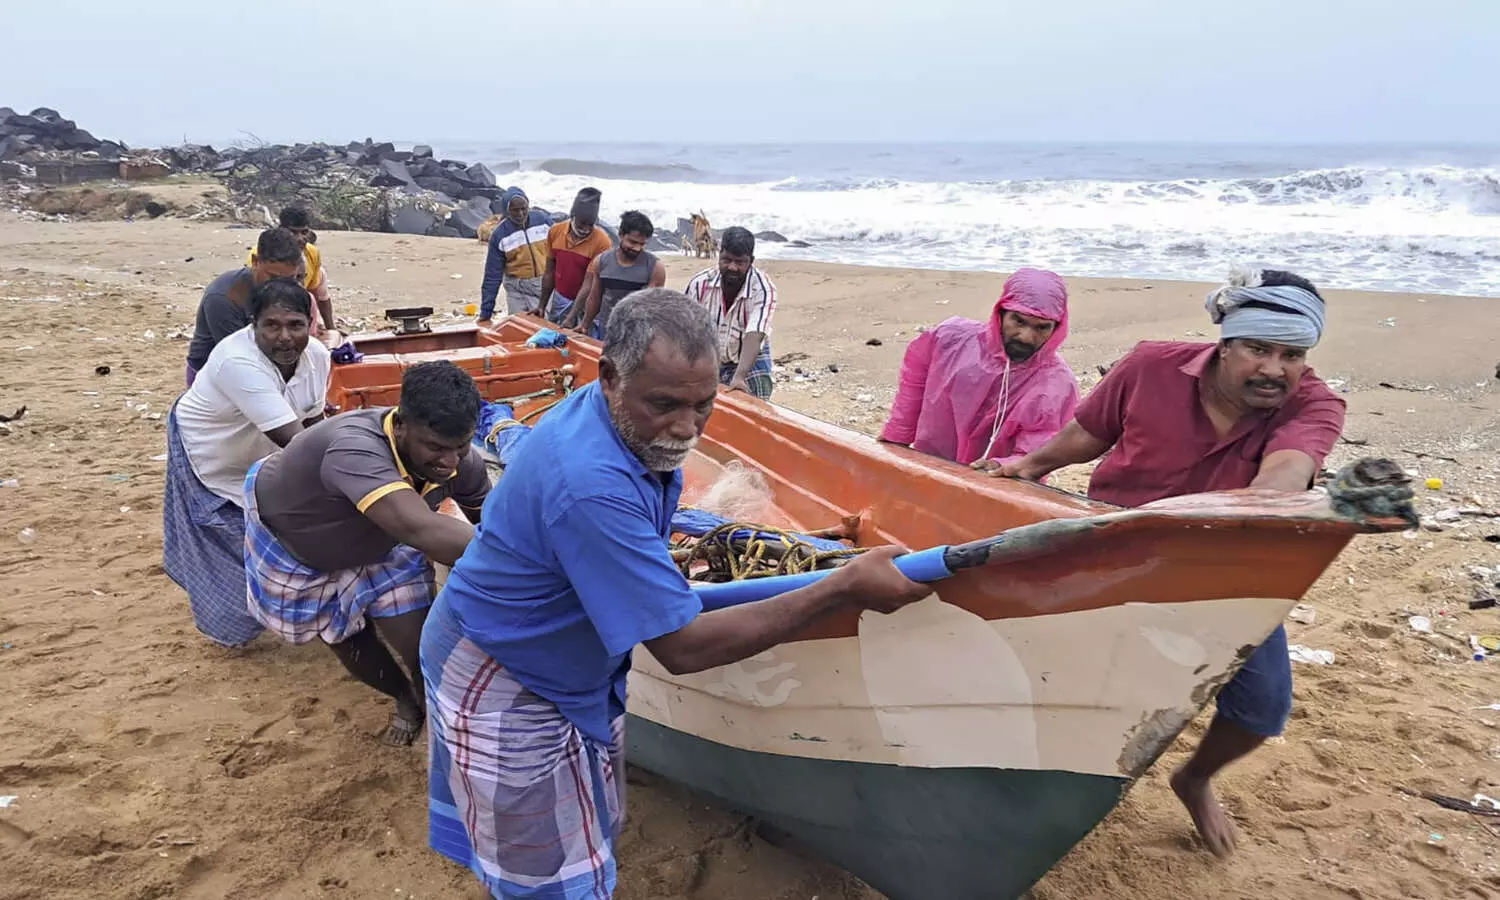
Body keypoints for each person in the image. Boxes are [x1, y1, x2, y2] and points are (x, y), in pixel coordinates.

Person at [422, 289, 930, 899]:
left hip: (555, 651)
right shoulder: (590, 485)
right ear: (609, 377)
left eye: (703, 405)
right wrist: (839, 587)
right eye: (664, 405)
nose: (687, 428)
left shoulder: (613, 420)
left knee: (575, 830)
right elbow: (682, 648)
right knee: (545, 875)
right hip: (504, 664)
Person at [986, 268, 1343, 857]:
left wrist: (1263, 505)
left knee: (1261, 709)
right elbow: (1089, 433)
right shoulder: (1150, 365)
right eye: (1258, 349)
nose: (1275, 369)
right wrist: (1026, 467)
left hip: (1228, 567)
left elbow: (1287, 471)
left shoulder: (1316, 404)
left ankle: (1195, 778)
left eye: (1292, 355)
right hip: (1114, 546)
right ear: (1224, 345)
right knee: (1059, 671)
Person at [244, 360, 490, 746]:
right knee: (347, 637)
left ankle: (434, 710)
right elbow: (421, 529)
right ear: (401, 423)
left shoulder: (461, 461)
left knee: (420, 640)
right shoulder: (354, 447)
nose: (450, 462)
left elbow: (493, 521)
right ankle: (403, 697)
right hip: (302, 545)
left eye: (461, 446)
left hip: (384, 539)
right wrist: (531, 561)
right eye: (436, 447)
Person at [164, 279, 332, 647]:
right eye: (271, 325)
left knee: (275, 534)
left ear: (310, 324)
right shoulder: (237, 362)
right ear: (252, 324)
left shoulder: (318, 357)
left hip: (264, 455)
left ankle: (294, 608)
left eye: (295, 325)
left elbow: (314, 422)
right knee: (226, 543)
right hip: (212, 451)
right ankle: (235, 626)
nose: (284, 337)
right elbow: (298, 443)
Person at [879, 268, 1078, 466]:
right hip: (931, 465)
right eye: (1018, 321)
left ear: (1056, 328)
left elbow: (1038, 451)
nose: (1026, 337)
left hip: (998, 480)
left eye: (1042, 327)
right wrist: (897, 435)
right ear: (1001, 313)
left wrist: (1003, 465)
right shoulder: (950, 340)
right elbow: (914, 386)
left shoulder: (1057, 385)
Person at [186, 227, 305, 386]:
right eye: (273, 277)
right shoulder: (224, 297)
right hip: (214, 373)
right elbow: (237, 357)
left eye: (290, 279)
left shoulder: (291, 289)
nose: (281, 286)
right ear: (255, 262)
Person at [684, 226, 778, 399]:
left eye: (739, 262)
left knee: (755, 398)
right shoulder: (699, 284)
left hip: (749, 352)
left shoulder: (763, 289)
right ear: (719, 255)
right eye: (726, 260)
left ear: (751, 261)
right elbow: (686, 332)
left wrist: (739, 377)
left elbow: (755, 334)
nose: (732, 267)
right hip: (710, 352)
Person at [565, 210, 666, 339]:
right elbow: (595, 297)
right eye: (633, 242)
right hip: (606, 329)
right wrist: (585, 324)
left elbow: (652, 307)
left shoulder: (655, 267)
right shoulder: (602, 261)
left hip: (636, 334)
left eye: (642, 244)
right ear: (621, 235)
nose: (637, 248)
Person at [246, 206, 336, 339]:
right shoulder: (264, 257)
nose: (300, 238)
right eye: (293, 232)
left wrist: (332, 330)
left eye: (304, 232)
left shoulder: (312, 253)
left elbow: (317, 294)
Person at [538, 187, 612, 325]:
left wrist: (572, 315)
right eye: (582, 224)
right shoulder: (555, 231)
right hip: (560, 298)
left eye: (590, 225)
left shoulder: (602, 242)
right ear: (572, 216)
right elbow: (549, 272)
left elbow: (589, 283)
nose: (586, 230)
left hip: (586, 303)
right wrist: (542, 305)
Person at [478, 186, 552, 322]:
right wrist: (486, 311)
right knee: (521, 325)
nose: (520, 214)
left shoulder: (543, 221)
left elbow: (560, 250)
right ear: (507, 211)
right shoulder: (500, 235)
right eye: (515, 210)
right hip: (516, 289)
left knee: (544, 325)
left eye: (524, 209)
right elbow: (492, 275)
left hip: (543, 286)